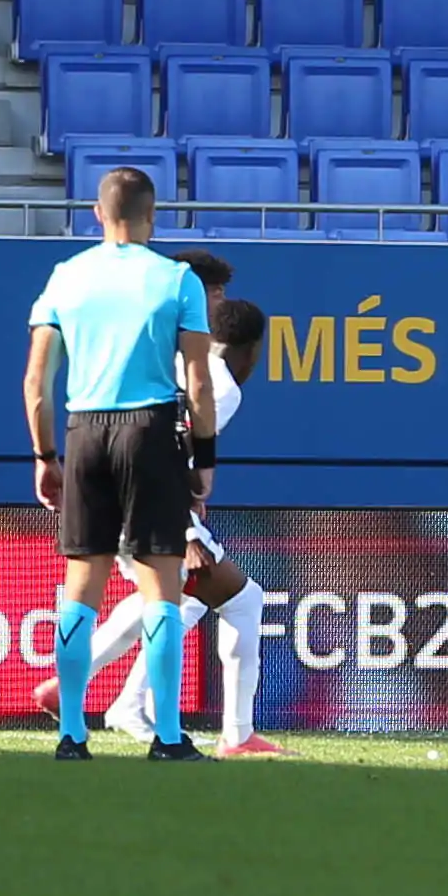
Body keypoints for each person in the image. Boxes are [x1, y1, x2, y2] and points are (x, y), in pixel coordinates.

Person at [33, 299, 292, 758]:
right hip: (143, 501)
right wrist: (187, 531)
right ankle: (236, 736)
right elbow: (166, 455)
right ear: (252, 350)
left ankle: (94, 694)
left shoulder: (164, 358)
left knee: (173, 597)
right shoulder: (221, 385)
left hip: (97, 483)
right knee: (242, 601)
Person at [23, 167, 214, 762]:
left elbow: (36, 382)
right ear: (153, 215)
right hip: (150, 430)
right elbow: (200, 384)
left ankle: (73, 734)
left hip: (84, 430)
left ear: (98, 214)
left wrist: (45, 456)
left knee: (82, 586)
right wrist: (203, 462)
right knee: (161, 585)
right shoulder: (178, 279)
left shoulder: (66, 277)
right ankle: (167, 737)